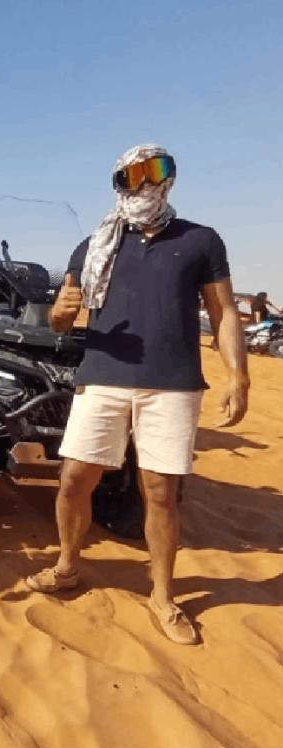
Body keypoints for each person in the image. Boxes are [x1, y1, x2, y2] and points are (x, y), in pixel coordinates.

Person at [25, 144, 249, 645]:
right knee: (73, 480)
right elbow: (60, 320)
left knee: (161, 493)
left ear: (171, 177)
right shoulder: (92, 246)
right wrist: (60, 311)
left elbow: (224, 312)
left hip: (172, 384)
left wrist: (239, 377)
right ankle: (67, 566)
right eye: (134, 174)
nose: (147, 182)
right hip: (102, 377)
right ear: (118, 182)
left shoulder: (200, 240)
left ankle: (163, 597)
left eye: (157, 169)